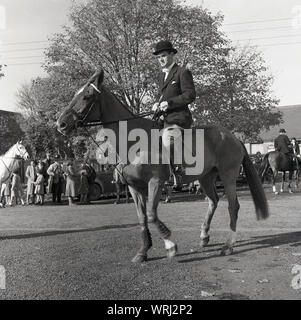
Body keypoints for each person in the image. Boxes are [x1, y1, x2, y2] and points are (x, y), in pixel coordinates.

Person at [152, 40, 196, 186]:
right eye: (158, 57)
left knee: (167, 138)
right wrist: (158, 105)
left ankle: (178, 172)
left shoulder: (182, 72)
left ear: (172, 55)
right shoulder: (161, 76)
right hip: (165, 119)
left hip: (179, 118)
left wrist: (169, 103)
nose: (161, 60)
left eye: (163, 56)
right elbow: (164, 96)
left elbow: (189, 95)